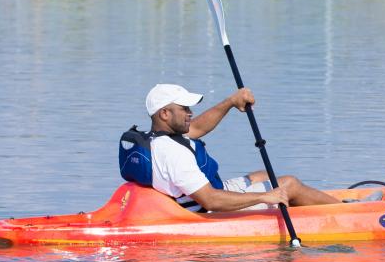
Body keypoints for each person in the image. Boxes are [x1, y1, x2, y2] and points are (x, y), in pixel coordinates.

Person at [140, 83, 339, 212]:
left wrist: (231, 102)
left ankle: (311, 204)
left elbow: (198, 127)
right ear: (165, 114)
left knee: (261, 175)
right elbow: (210, 200)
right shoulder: (174, 153)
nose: (190, 113)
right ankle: (348, 212)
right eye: (184, 109)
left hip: (211, 192)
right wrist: (265, 196)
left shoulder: (161, 137)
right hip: (212, 211)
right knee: (290, 185)